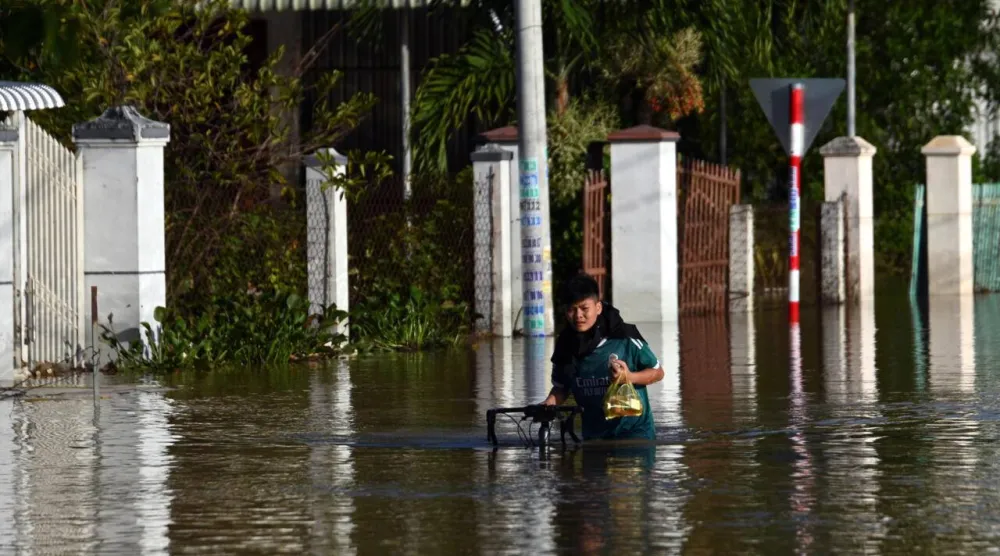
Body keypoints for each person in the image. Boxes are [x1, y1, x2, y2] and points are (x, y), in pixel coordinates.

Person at [540, 273, 664, 441]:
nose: (578, 316)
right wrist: (548, 404)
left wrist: (629, 377)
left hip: (635, 435)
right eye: (571, 309)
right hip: (593, 436)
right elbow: (562, 387)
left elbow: (657, 372)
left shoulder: (625, 338)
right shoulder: (565, 345)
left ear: (598, 307)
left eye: (584, 309)